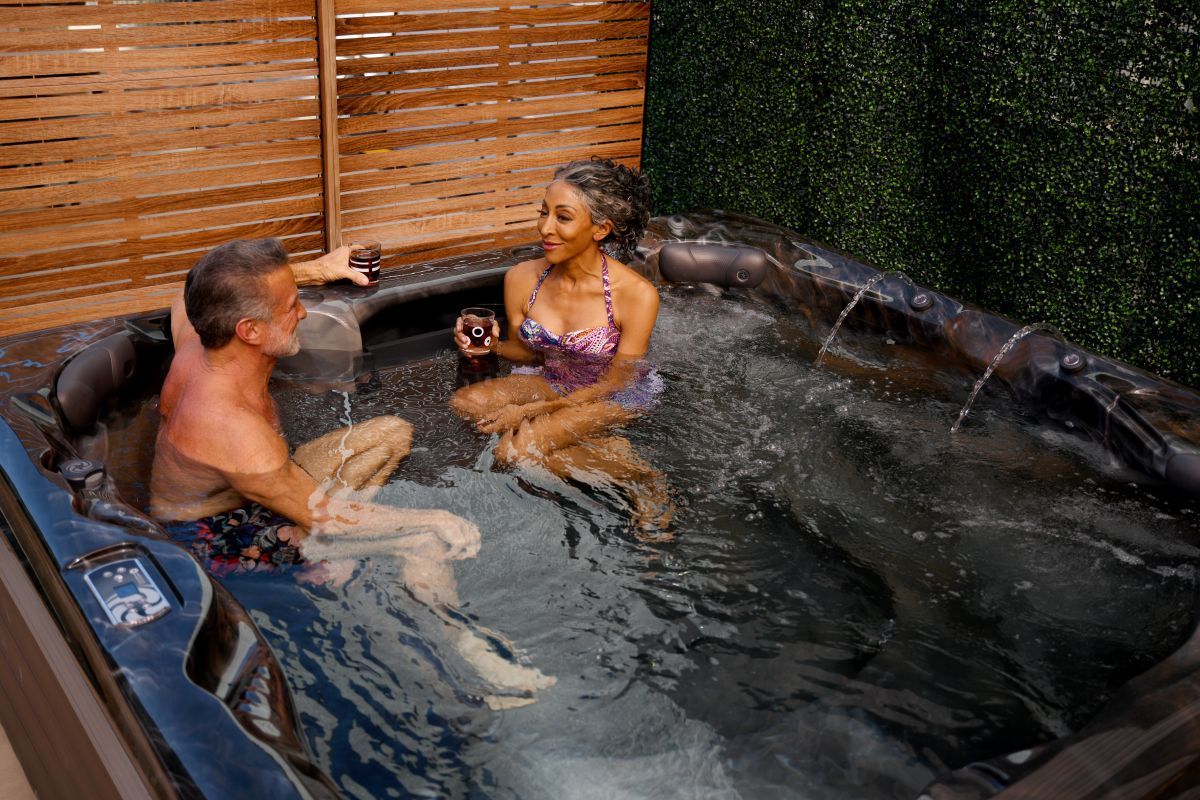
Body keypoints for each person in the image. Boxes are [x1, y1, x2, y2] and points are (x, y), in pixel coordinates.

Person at [150, 238, 553, 703]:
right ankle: (462, 661)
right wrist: (434, 517)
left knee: (390, 434)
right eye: (290, 305)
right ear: (250, 330)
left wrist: (318, 270)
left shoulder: (199, 343)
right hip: (216, 540)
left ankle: (347, 555)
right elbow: (323, 516)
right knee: (423, 541)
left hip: (255, 489)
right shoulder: (230, 427)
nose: (302, 312)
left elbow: (185, 295)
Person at [449, 158, 671, 530]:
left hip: (611, 393)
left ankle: (640, 476)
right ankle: (596, 447)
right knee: (466, 403)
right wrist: (490, 347)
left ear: (600, 229)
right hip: (553, 378)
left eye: (562, 217)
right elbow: (528, 353)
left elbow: (619, 381)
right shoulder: (522, 278)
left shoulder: (636, 294)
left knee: (514, 451)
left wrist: (531, 411)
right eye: (543, 213)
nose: (545, 227)